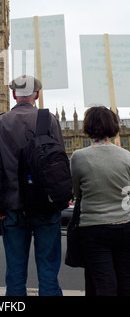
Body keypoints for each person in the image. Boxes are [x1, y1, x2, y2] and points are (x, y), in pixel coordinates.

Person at [0, 75, 64, 296]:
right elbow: (59, 164)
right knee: (48, 272)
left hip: (13, 206)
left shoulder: (0, 122)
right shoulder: (49, 119)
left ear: (14, 94)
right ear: (36, 94)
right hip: (46, 207)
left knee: (15, 273)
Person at [70, 106, 130, 296]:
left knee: (102, 283)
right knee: (125, 282)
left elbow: (77, 193)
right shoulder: (127, 156)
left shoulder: (78, 157)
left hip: (93, 228)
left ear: (87, 127)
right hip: (125, 226)